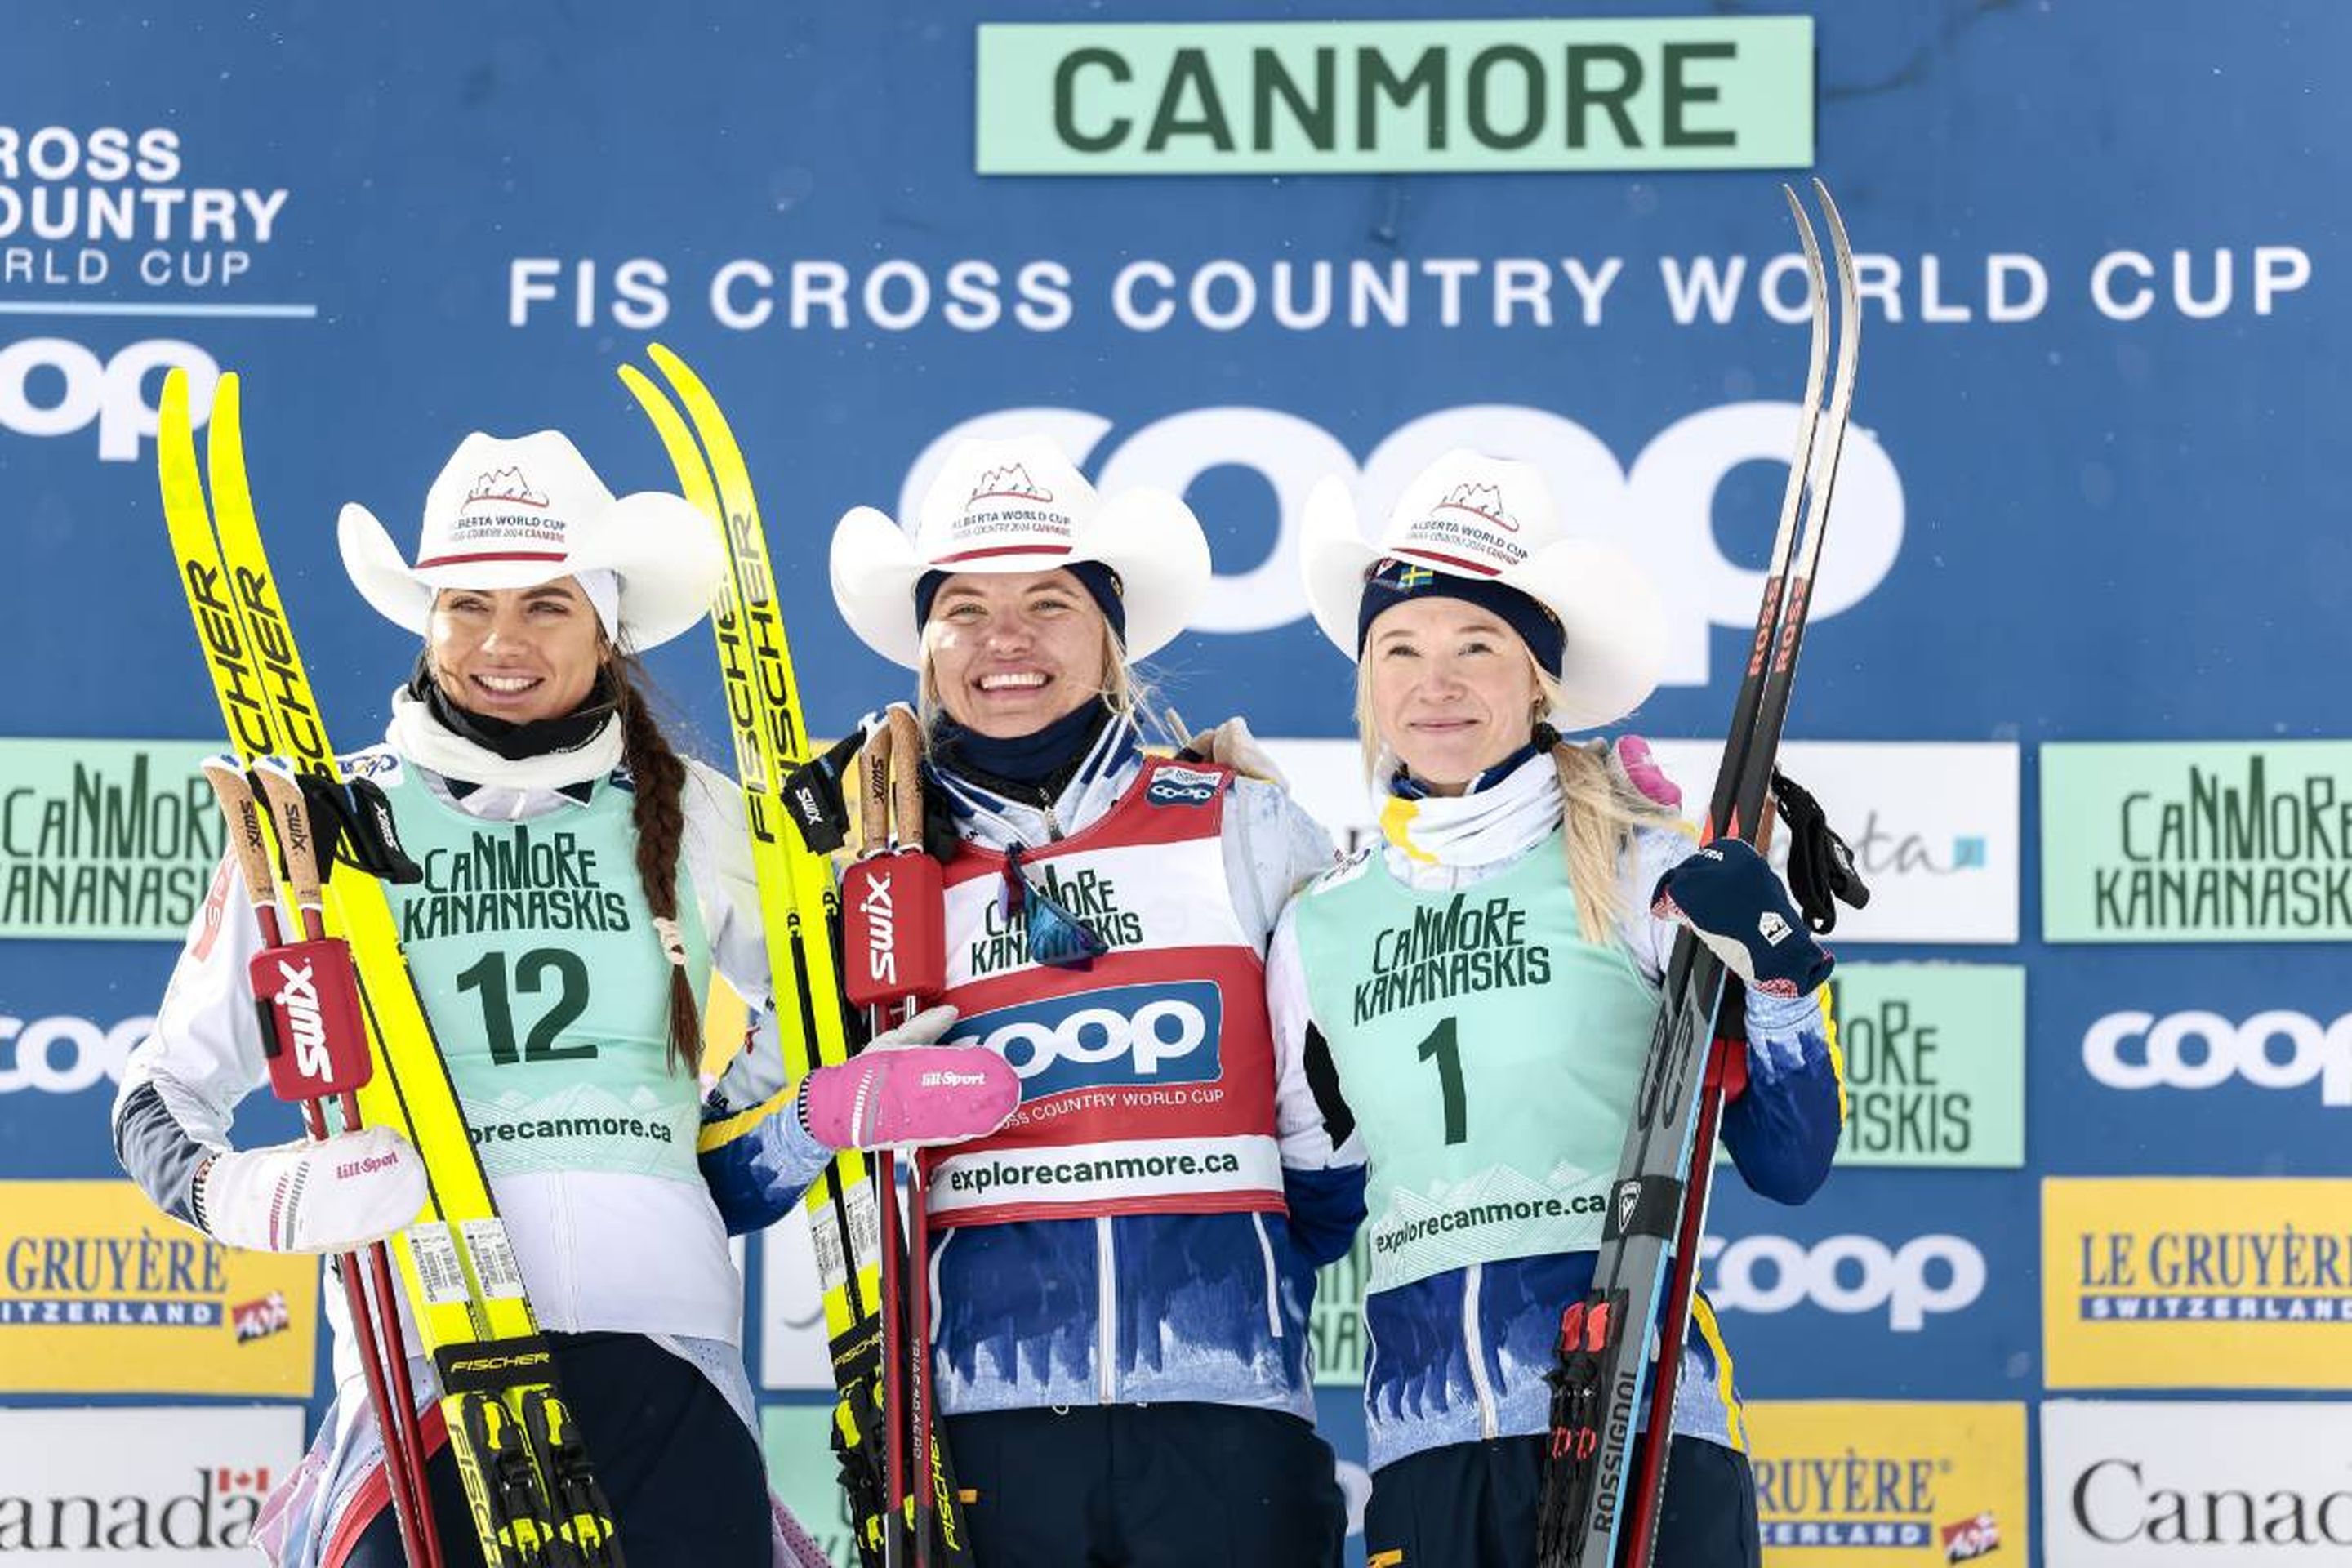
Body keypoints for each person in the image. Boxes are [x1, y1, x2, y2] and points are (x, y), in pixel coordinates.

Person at [112, 430, 1017, 1568]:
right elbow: (161, 1087)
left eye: (546, 605)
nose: (502, 642)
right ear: (425, 617)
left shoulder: (700, 811)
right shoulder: (327, 823)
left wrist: (805, 1117)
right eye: (465, 605)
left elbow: (765, 1098)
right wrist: (254, 1195)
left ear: (607, 627)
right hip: (434, 1360)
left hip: (671, 1358)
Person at [1264, 450, 1847, 1568]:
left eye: (1476, 645)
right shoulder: (1320, 925)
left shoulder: (1636, 866)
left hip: (1638, 1431)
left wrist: (1778, 969)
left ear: (1538, 677)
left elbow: (1791, 1161)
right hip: (1423, 1455)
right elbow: (1314, 1209)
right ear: (1367, 680)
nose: (1435, 685)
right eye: (1401, 648)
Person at [800, 434, 1364, 1567]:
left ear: (1110, 633)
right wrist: (827, 1111)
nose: (1005, 642)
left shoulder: (1240, 823)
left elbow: (1336, 1111)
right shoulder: (863, 880)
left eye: (1049, 603)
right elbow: (758, 1148)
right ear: (924, 645)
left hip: (1229, 1418)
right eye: (964, 607)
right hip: (971, 1431)